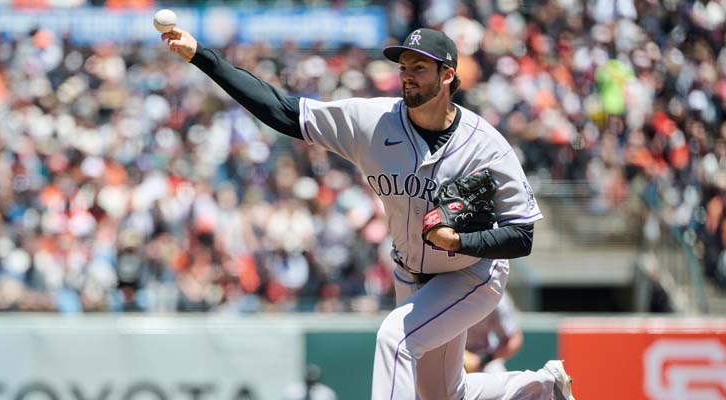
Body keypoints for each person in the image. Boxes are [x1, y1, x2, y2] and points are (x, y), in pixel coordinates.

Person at [162, 26, 575, 400]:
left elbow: (522, 235)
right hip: (410, 273)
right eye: (403, 66)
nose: (407, 74)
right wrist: (204, 57)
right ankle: (542, 386)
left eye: (420, 67)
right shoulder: (372, 122)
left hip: (471, 273)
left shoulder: (487, 145)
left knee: (395, 339)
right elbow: (285, 112)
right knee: (444, 396)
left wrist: (460, 241)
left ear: (447, 75)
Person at [464, 291, 523, 373]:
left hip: (484, 355)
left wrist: (483, 360)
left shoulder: (498, 298)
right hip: (448, 354)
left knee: (497, 373)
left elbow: (514, 339)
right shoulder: (447, 293)